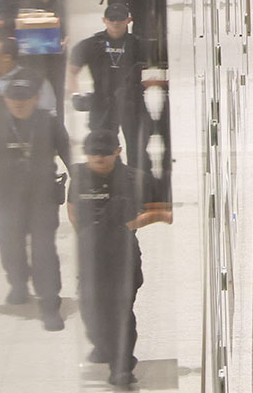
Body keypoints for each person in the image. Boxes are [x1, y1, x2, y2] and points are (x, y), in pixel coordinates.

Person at [0, 70, 71, 331]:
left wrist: (79, 186)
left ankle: (49, 303)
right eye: (13, 97)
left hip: (41, 197)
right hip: (4, 198)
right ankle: (18, 282)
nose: (19, 102)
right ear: (5, 98)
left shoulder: (49, 123)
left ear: (36, 98)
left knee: (44, 250)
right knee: (10, 246)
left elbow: (68, 153)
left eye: (25, 97)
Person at [70, 130, 172, 390]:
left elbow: (162, 210)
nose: (99, 158)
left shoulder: (135, 179)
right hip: (90, 253)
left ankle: (122, 367)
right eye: (94, 154)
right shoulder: (79, 176)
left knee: (120, 312)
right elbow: (72, 209)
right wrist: (86, 234)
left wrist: (128, 225)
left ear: (117, 151)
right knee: (92, 309)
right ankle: (104, 346)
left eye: (105, 153)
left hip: (122, 254)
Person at [67, 4, 147, 168]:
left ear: (128, 20)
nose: (115, 23)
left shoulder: (139, 45)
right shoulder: (91, 44)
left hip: (132, 101)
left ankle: (136, 181)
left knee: (137, 149)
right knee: (102, 147)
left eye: (120, 19)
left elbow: (156, 71)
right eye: (111, 19)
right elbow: (71, 71)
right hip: (101, 101)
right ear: (104, 20)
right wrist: (75, 94)